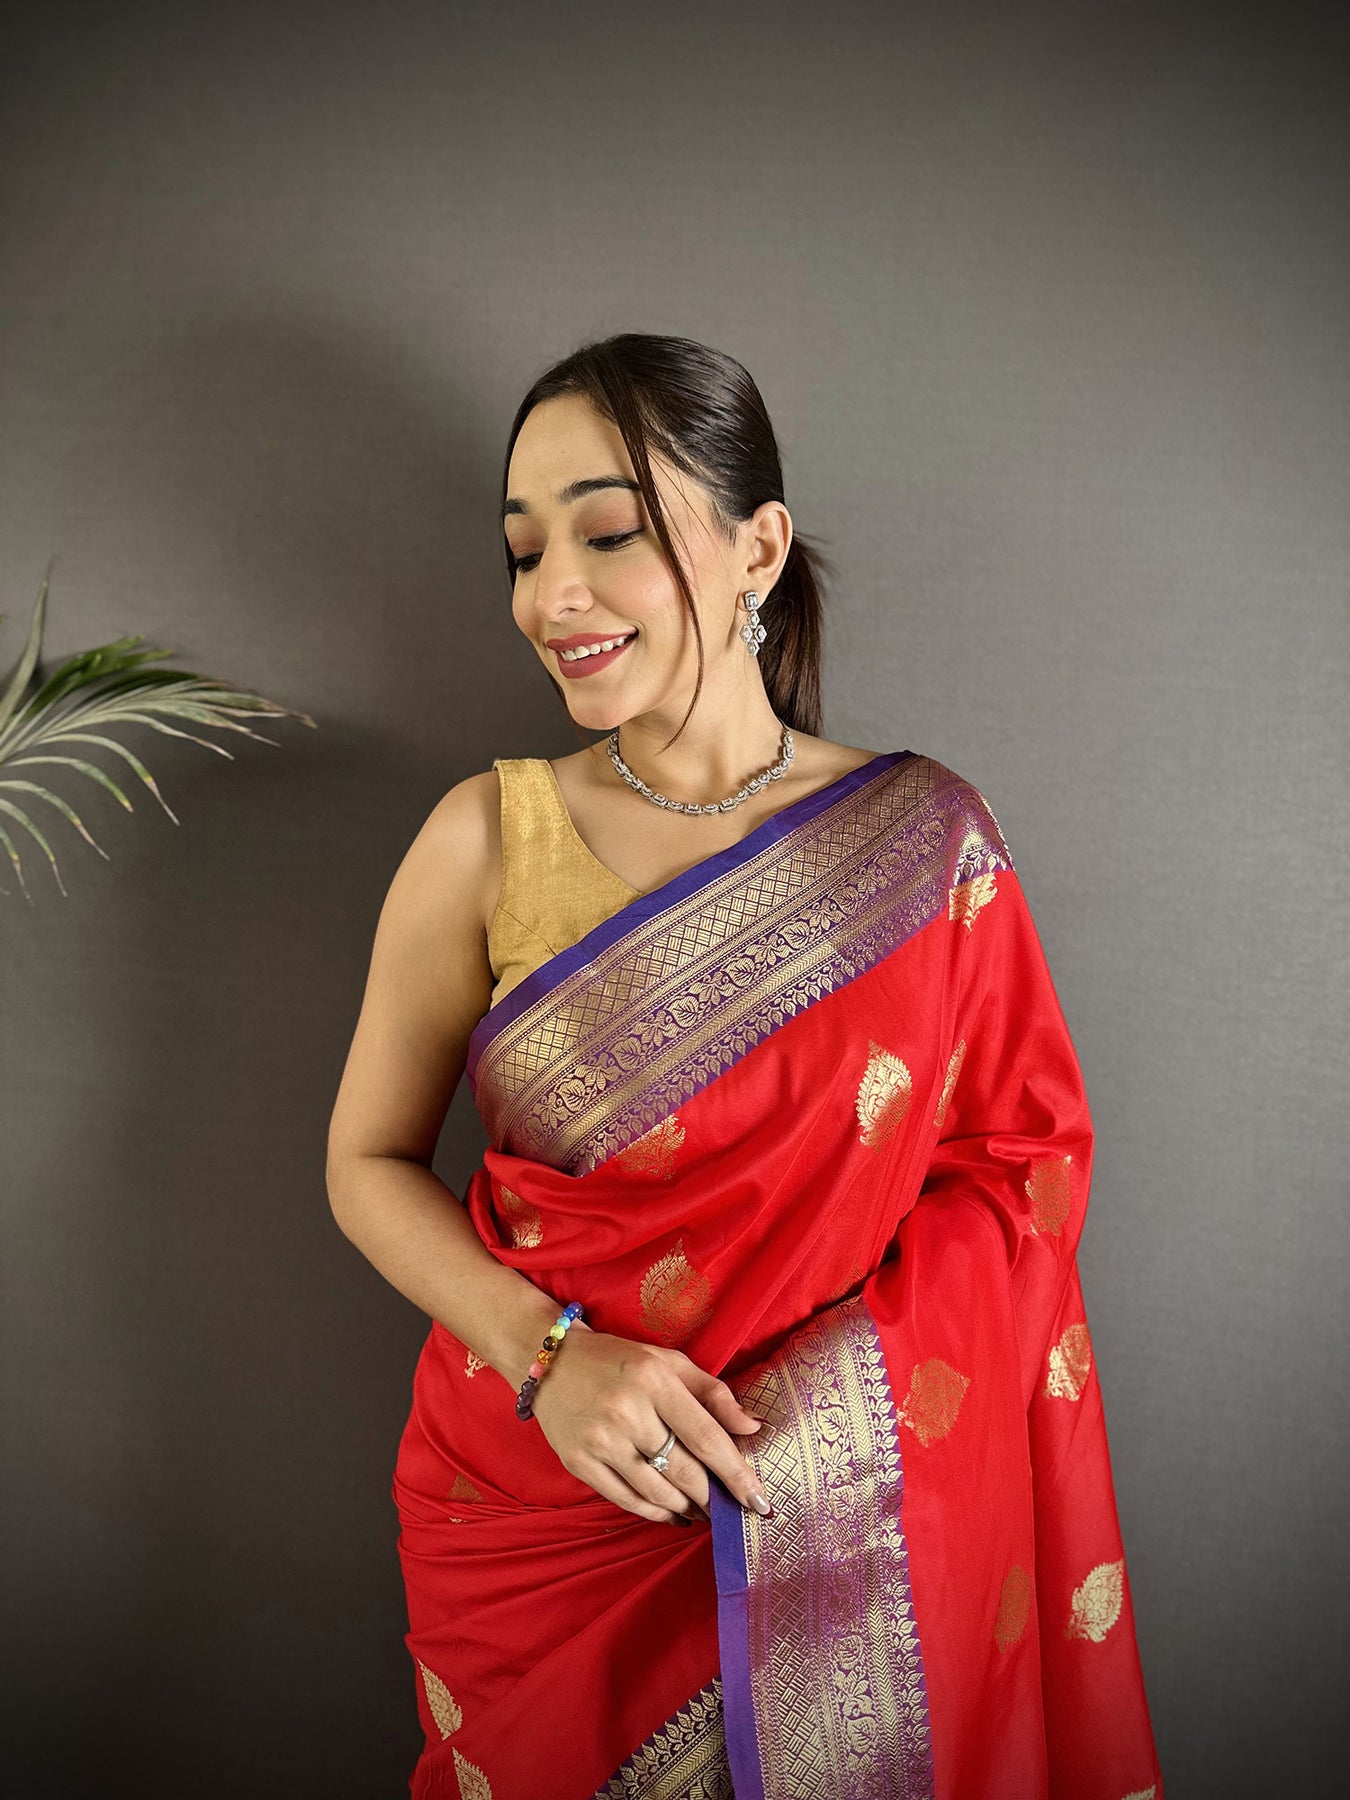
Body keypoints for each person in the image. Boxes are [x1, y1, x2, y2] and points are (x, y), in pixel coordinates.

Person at [326, 333, 1163, 1800]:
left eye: (608, 534)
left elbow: (1020, 1178)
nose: (550, 595)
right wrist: (548, 1358)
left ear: (757, 550)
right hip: (537, 1509)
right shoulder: (485, 837)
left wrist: (813, 1435)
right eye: (523, 551)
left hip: (831, 1517)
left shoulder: (923, 848)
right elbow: (366, 1162)